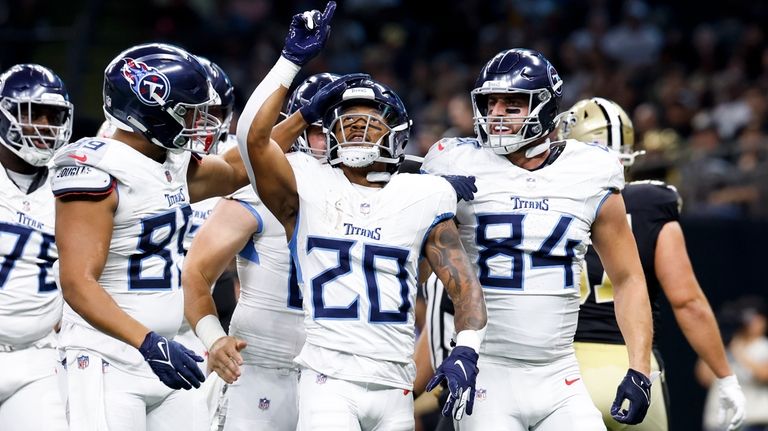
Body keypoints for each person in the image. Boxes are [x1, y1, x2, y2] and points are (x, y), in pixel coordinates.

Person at [232, 3, 488, 429]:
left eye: (371, 121)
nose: (356, 127)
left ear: (398, 136)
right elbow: (251, 142)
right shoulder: (306, 182)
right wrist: (289, 64)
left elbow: (464, 286)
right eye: (346, 121)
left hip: (396, 383)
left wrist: (468, 346)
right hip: (328, 380)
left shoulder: (425, 193)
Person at [420, 48, 654, 430]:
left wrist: (639, 370)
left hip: (560, 373)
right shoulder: (453, 162)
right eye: (489, 103)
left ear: (545, 108)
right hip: (487, 370)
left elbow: (628, 277)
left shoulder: (590, 170)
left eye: (512, 105)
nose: (495, 114)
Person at [52, 43, 249, 431]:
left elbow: (243, 167)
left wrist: (298, 94)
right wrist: (146, 342)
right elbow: (77, 283)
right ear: (151, 111)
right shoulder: (97, 167)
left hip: (169, 352)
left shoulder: (170, 164)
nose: (199, 122)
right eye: (188, 112)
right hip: (107, 355)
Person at [559, 96, 746, 431]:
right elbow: (687, 301)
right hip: (632, 368)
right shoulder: (649, 203)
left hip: (560, 374)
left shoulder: (540, 206)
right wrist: (725, 376)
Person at [182, 72, 336, 431]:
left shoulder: (375, 199)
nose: (332, 142)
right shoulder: (260, 192)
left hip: (332, 372)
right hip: (259, 368)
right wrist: (214, 338)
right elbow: (196, 272)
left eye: (342, 129)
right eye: (320, 130)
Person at [0, 63, 72, 431]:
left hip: (35, 358)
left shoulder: (74, 182)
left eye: (54, 115)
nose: (45, 124)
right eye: (34, 114)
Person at [698, 298, 766, 431]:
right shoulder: (724, 349)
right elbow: (704, 377)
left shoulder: (763, 346)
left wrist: (739, 352)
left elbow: (764, 375)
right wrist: (716, 344)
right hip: (718, 422)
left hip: (752, 420)